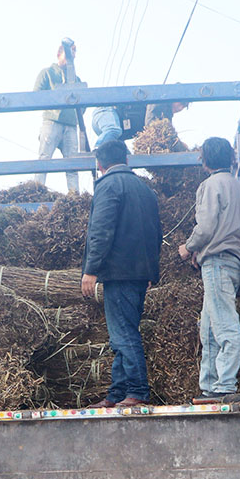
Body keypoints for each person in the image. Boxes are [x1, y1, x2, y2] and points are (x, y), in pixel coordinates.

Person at [81, 139, 161, 407]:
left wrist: (91, 270)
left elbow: (100, 231)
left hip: (119, 273)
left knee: (124, 335)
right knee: (122, 334)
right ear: (126, 160)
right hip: (139, 274)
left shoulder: (107, 186)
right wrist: (152, 271)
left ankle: (137, 392)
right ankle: (117, 394)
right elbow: (156, 234)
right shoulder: (145, 190)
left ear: (100, 164)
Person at [180, 137, 240, 404]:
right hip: (234, 261)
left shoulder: (211, 185)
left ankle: (224, 385)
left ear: (205, 160)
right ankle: (210, 386)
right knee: (209, 327)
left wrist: (189, 247)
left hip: (218, 262)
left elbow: (208, 226)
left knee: (223, 323)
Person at [34, 41, 84, 193]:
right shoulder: (47, 72)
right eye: (69, 55)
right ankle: (37, 192)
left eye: (73, 56)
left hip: (70, 125)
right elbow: (35, 95)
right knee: (44, 158)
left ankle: (74, 196)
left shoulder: (76, 80)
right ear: (59, 55)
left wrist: (77, 115)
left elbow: (84, 102)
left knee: (72, 165)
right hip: (52, 122)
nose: (71, 59)